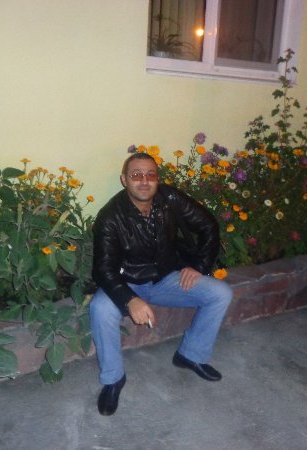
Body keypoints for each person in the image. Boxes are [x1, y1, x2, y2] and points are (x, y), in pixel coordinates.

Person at [90, 151, 233, 416]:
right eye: (136, 175)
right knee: (100, 308)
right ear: (124, 180)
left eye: (151, 175)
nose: (144, 181)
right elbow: (103, 269)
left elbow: (209, 226)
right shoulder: (110, 216)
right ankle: (113, 380)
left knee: (220, 293)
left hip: (166, 278)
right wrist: (129, 299)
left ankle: (191, 355)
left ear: (157, 179)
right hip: (127, 283)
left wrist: (199, 267)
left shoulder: (170, 199)